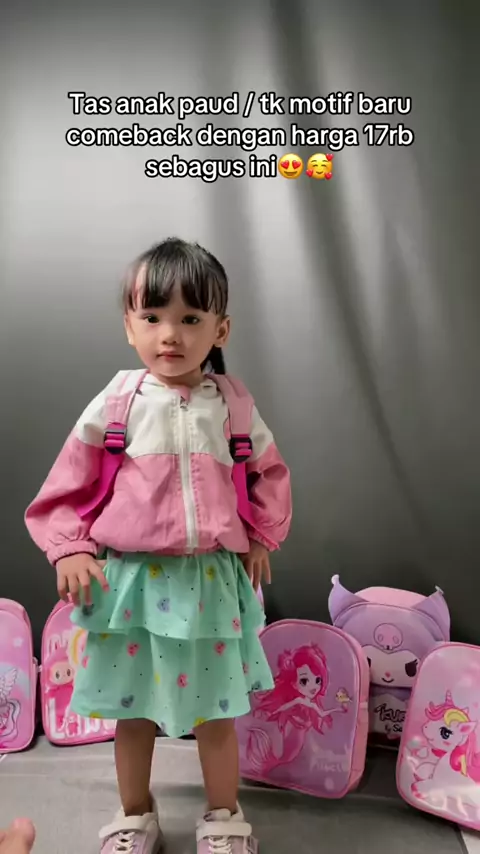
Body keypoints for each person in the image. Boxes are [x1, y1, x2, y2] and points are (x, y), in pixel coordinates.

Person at [25, 238, 292, 854]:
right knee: (133, 710)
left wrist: (261, 534)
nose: (170, 334)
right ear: (129, 325)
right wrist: (70, 547)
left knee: (216, 713)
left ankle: (224, 817)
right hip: (132, 586)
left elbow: (270, 474)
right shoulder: (117, 404)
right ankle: (133, 815)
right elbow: (68, 482)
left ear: (220, 329)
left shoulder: (233, 408)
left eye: (190, 318)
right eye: (152, 317)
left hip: (209, 584)